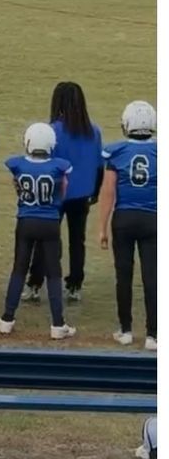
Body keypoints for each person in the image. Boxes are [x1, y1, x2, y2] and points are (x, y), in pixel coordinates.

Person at [24, 83, 103, 303]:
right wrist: (94, 191)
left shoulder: (52, 131)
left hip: (56, 195)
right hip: (82, 195)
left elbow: (45, 164)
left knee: (44, 239)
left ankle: (35, 283)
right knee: (77, 241)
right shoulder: (93, 131)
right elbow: (99, 165)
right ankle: (75, 285)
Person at [0, 123, 75, 340]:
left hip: (26, 220)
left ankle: (6, 319)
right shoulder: (60, 166)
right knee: (53, 273)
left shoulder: (17, 164)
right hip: (50, 221)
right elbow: (63, 189)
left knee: (19, 269)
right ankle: (58, 324)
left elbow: (17, 185)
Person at [99, 101, 157, 350]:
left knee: (124, 275)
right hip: (153, 219)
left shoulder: (116, 151)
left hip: (123, 220)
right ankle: (154, 335)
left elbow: (108, 191)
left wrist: (102, 226)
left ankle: (125, 330)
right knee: (152, 277)